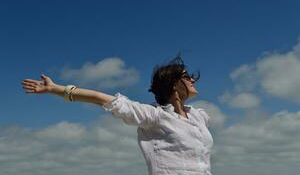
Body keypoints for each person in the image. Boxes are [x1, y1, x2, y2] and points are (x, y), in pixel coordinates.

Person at [21, 55, 213, 175]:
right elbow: (101, 99)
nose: (193, 80)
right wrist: (56, 89)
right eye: (187, 77)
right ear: (173, 84)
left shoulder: (199, 116)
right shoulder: (155, 116)